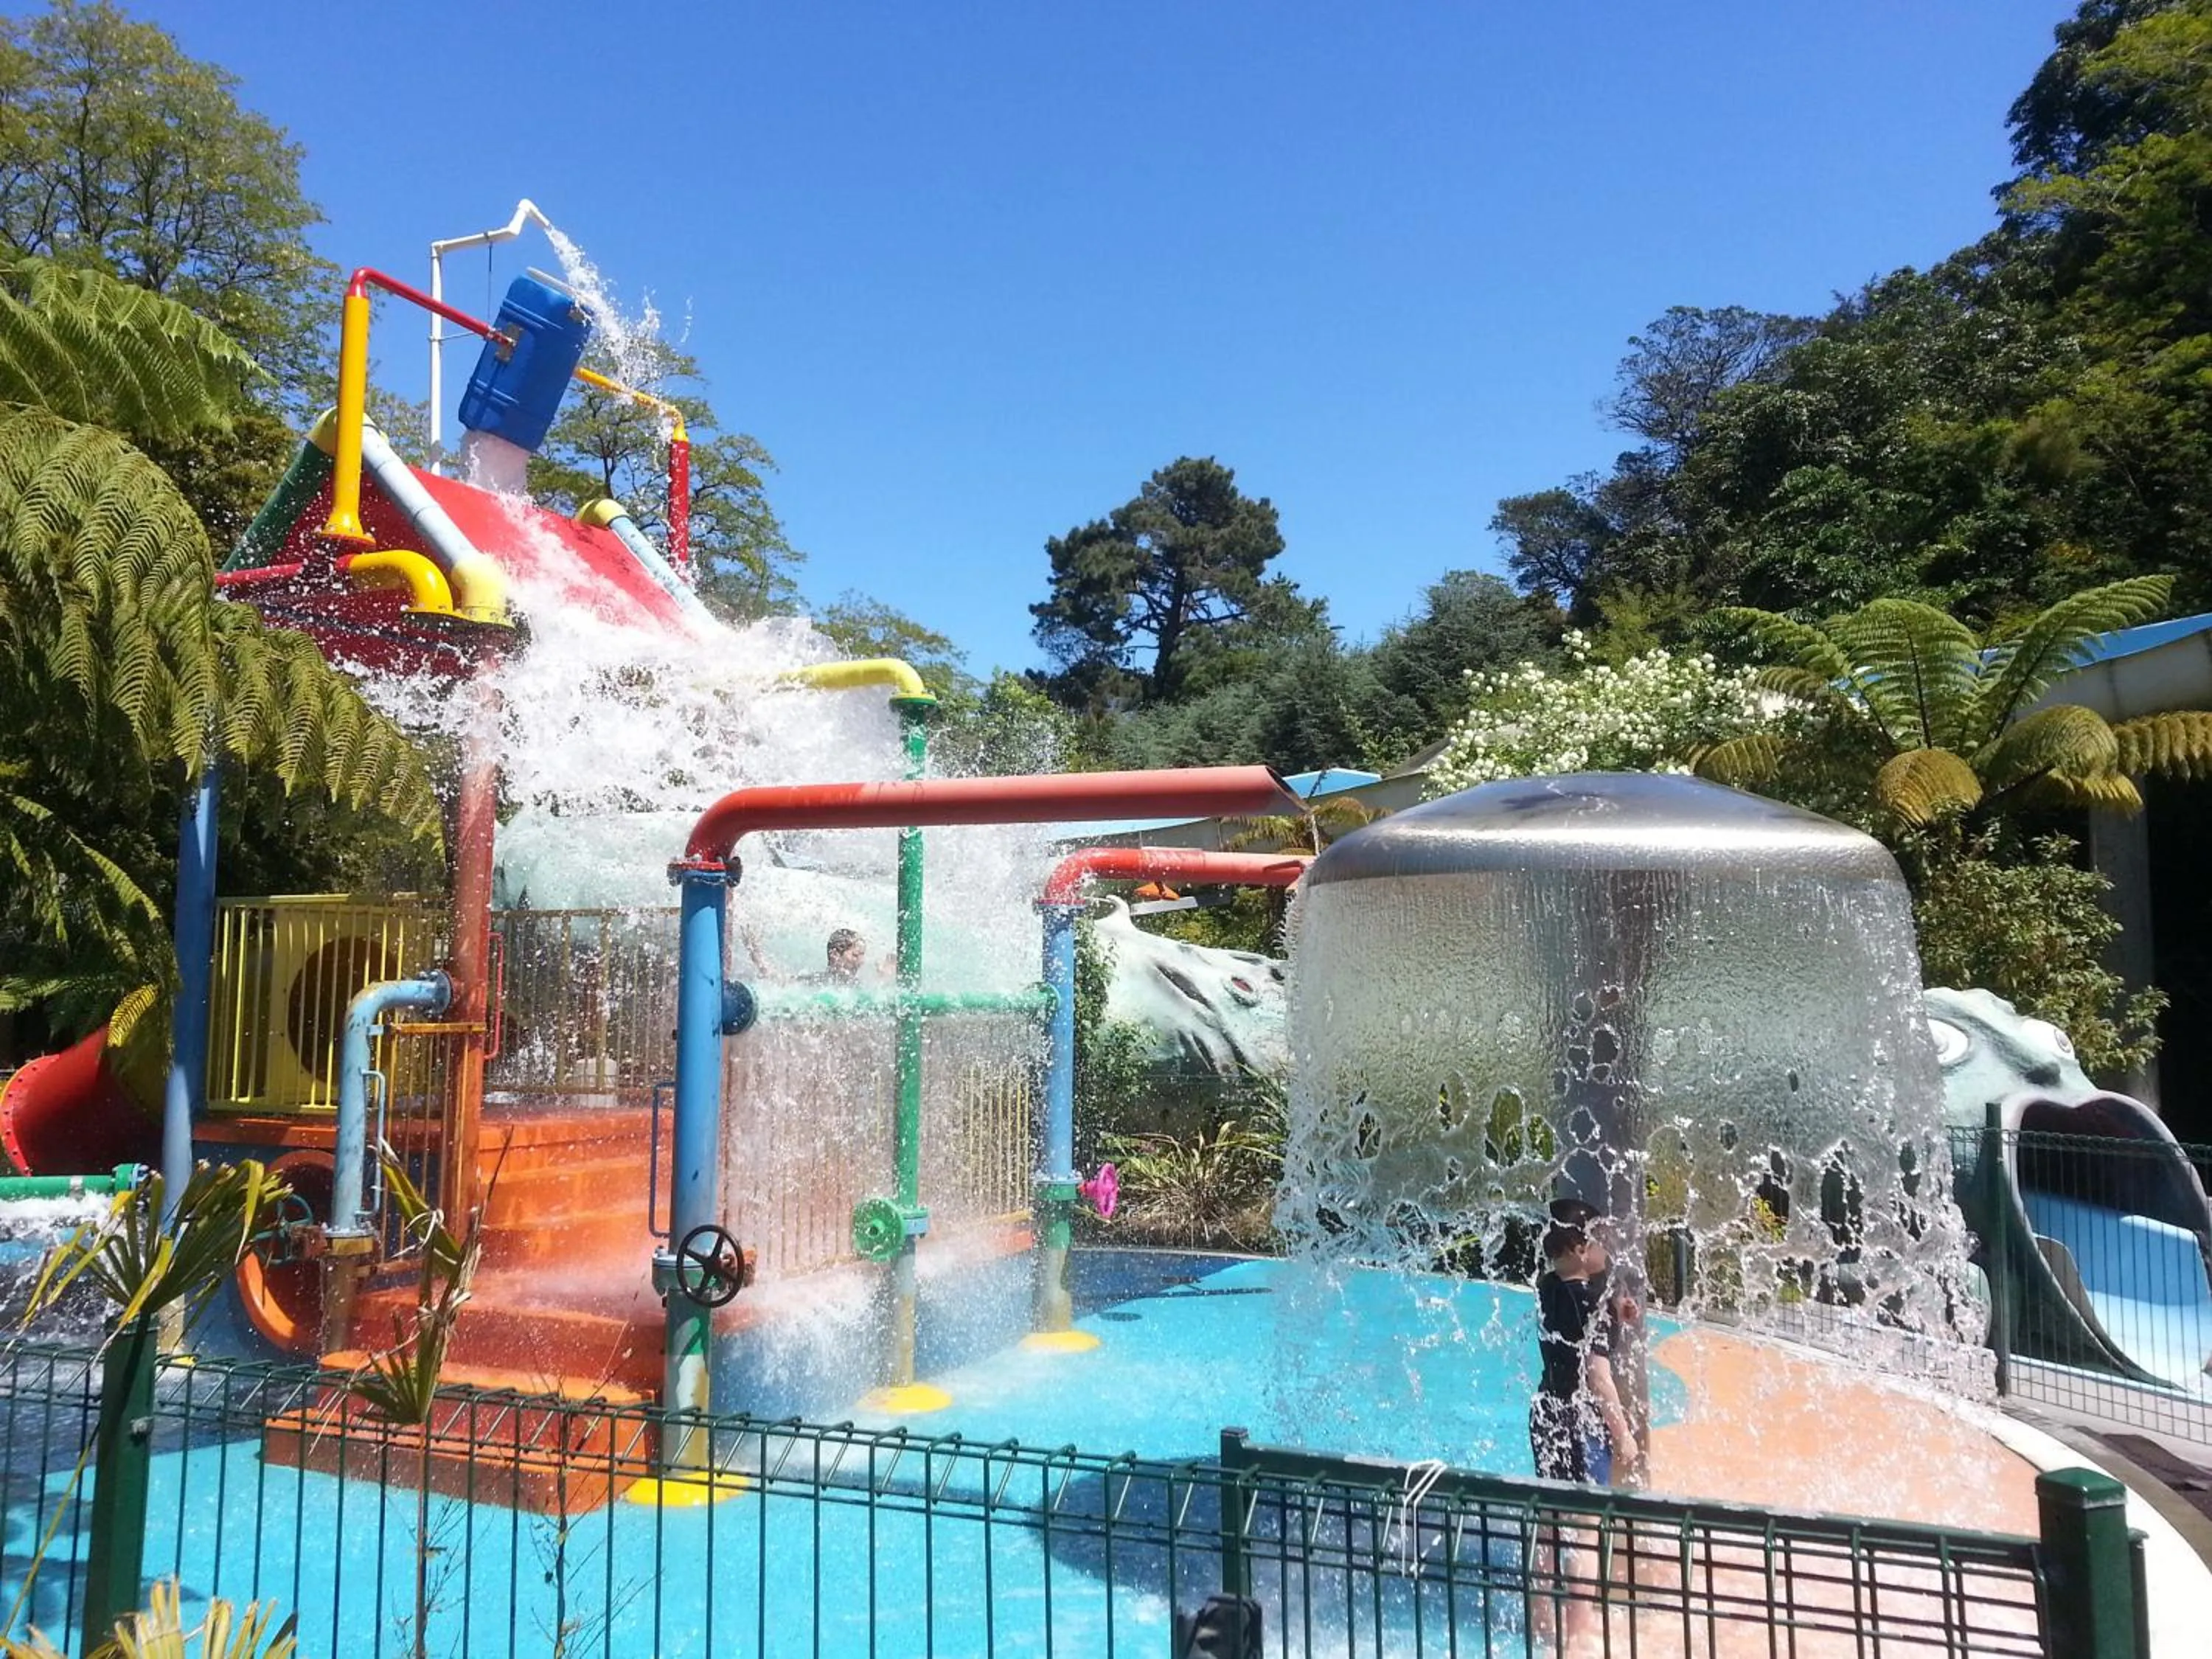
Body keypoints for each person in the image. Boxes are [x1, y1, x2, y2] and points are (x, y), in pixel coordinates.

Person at [1529, 1199, 1637, 1487]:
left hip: (1546, 1413)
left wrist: (1614, 1311)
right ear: (1580, 1250)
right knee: (1587, 1516)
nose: (1607, 1247)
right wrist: (1622, 1434)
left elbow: (1575, 1310)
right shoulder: (1593, 1307)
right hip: (1582, 1422)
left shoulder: (1547, 1288)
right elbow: (1598, 1378)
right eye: (1600, 1241)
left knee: (1552, 1508)